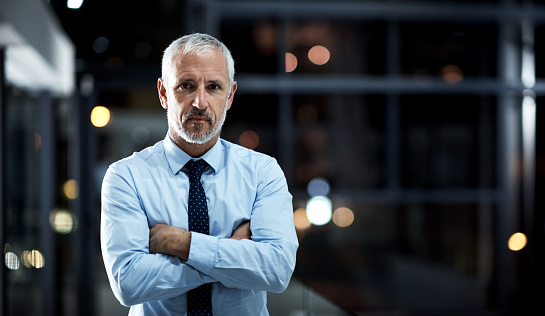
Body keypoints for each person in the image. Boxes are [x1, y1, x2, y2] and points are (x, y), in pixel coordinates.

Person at [100, 33, 298, 315]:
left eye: (214, 87)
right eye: (186, 86)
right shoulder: (126, 176)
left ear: (230, 96)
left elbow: (276, 272)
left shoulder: (262, 172)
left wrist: (181, 243)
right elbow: (129, 284)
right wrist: (231, 252)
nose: (200, 102)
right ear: (164, 93)